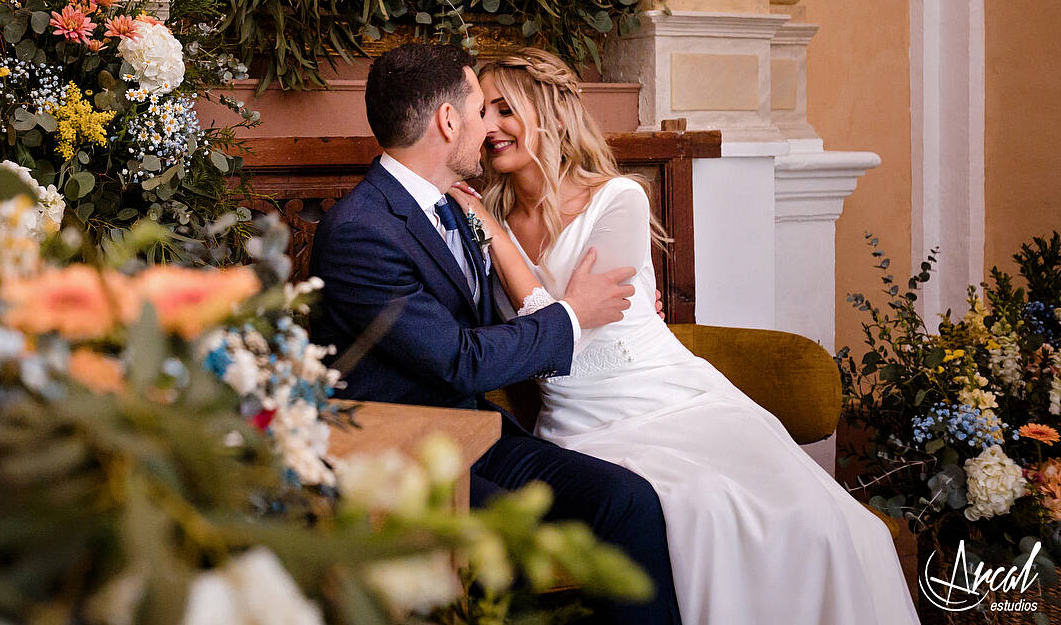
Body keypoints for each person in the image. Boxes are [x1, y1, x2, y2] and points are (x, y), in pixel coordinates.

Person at [445, 46, 920, 625]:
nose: (489, 128)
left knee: (816, 517)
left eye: (504, 110)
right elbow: (512, 336)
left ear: (550, 112)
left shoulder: (617, 199)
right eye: (481, 114)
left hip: (670, 396)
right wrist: (492, 233)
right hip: (580, 425)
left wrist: (497, 237)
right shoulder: (474, 219)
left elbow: (578, 335)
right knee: (699, 504)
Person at [309, 43, 684, 625]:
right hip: (406, 453)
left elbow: (495, 316)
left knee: (627, 501)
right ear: (448, 121)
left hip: (477, 437)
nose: (488, 129)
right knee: (517, 539)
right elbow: (459, 360)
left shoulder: (460, 206)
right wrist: (573, 315)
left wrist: (619, 314)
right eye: (482, 110)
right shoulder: (360, 230)